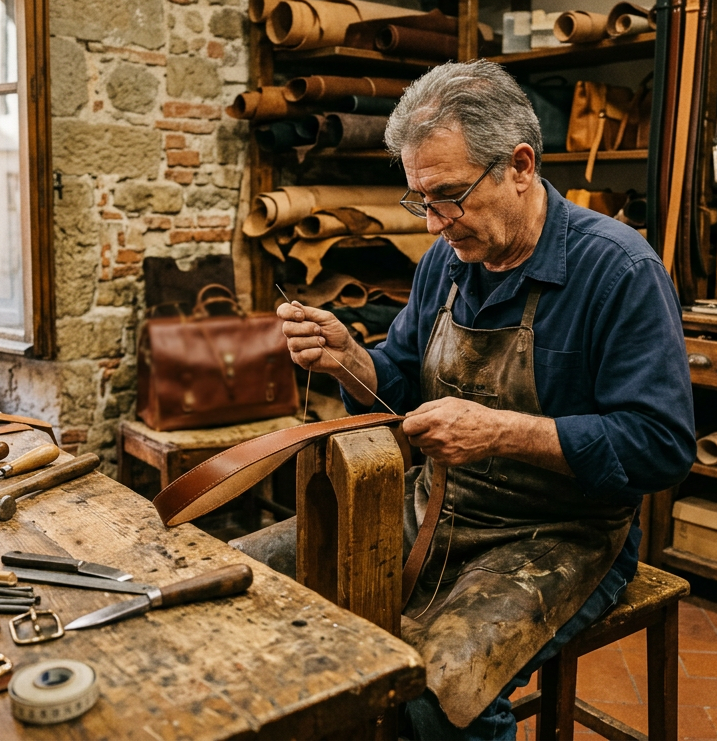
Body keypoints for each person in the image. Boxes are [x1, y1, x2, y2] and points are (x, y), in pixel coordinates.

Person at [268, 60, 695, 740]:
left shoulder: (620, 270)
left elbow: (660, 447)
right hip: (435, 506)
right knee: (264, 582)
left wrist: (501, 432)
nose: (435, 223)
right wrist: (351, 360)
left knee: (436, 692)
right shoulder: (447, 259)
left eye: (449, 196)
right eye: (421, 201)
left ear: (520, 166)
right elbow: (400, 387)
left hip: (561, 534)